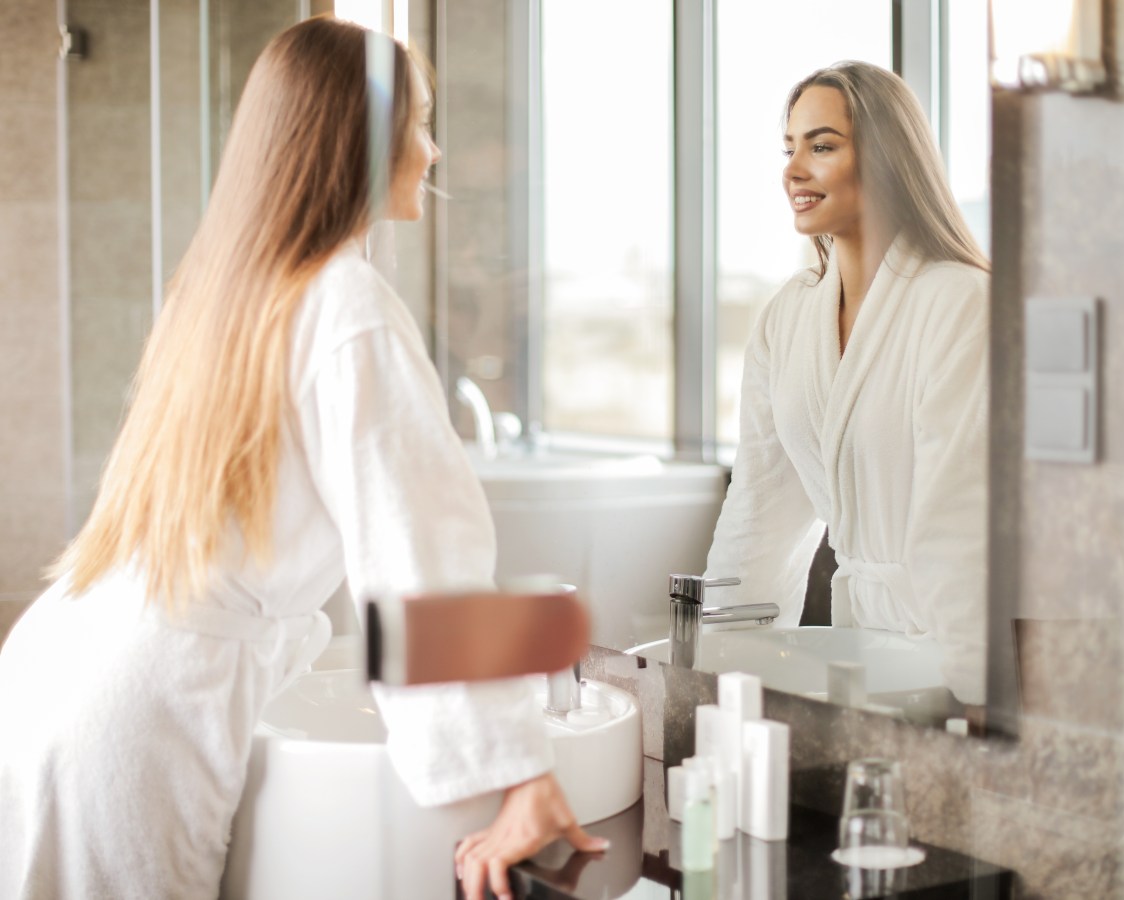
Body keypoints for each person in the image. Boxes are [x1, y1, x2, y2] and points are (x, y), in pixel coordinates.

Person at [0, 17, 604, 900]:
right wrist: (521, 775)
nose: (432, 153)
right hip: (144, 712)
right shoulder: (345, 302)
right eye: (420, 124)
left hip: (59, 665)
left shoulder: (224, 291)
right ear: (361, 137)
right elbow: (419, 559)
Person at [704, 61, 990, 705]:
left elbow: (961, 520)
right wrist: (715, 671)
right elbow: (759, 511)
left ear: (888, 159)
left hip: (948, 647)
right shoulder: (788, 316)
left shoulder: (960, 302)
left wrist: (975, 698)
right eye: (790, 147)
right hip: (854, 644)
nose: (794, 169)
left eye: (822, 145)